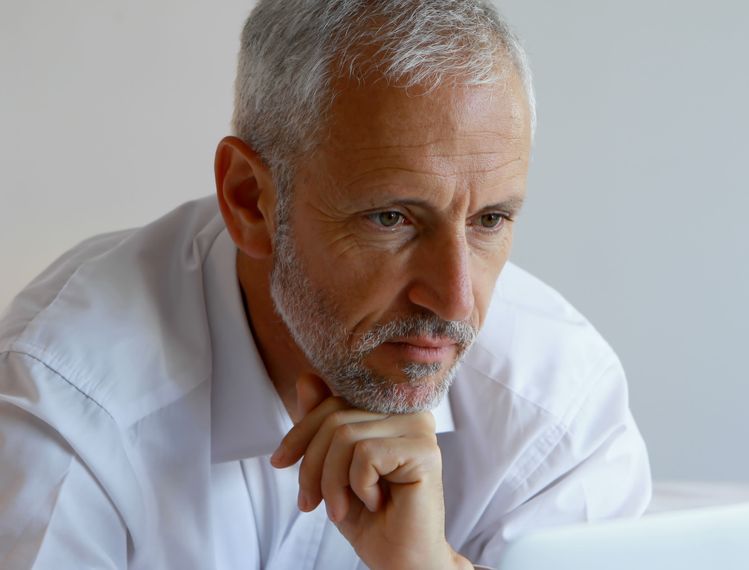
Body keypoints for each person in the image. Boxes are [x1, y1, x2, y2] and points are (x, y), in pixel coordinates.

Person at [0, 1, 650, 568]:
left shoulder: (554, 404)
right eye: (391, 218)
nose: (456, 301)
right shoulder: (68, 408)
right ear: (250, 199)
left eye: (491, 221)